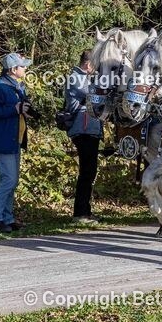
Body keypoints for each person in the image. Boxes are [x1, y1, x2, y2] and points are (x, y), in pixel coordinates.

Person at [0, 52, 36, 234]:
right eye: (23, 66)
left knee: (13, 180)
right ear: (13, 69)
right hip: (2, 140)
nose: (26, 68)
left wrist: (24, 110)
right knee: (8, 180)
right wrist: (15, 108)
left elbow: (16, 110)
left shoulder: (18, 87)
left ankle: (8, 218)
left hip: (15, 140)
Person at [65, 50, 103, 224]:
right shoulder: (75, 78)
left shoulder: (85, 78)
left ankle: (85, 211)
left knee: (90, 172)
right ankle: (80, 213)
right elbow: (94, 94)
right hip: (83, 129)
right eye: (95, 66)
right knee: (86, 171)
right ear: (88, 64)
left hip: (90, 130)